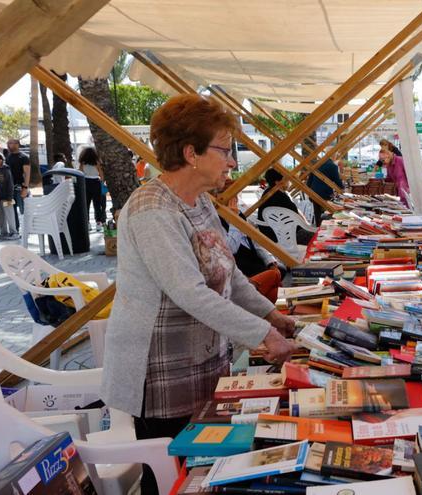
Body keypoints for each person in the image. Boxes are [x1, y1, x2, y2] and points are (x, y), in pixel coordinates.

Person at [100, 94, 298, 495]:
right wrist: (262, 335)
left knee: (205, 469)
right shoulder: (151, 209)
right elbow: (189, 292)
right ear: (191, 152)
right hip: (160, 375)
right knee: (176, 475)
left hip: (203, 362)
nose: (231, 161)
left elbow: (231, 275)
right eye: (225, 149)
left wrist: (272, 317)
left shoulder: (200, 201)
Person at [258, 168, 314, 245]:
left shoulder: (268, 193)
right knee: (318, 237)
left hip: (273, 234)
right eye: (286, 179)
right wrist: (306, 225)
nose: (289, 182)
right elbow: (295, 213)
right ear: (277, 182)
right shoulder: (280, 196)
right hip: (286, 235)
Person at [306, 158, 344, 227]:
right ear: (334, 157)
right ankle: (326, 228)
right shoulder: (333, 166)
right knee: (328, 212)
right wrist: (342, 188)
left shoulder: (316, 164)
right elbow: (337, 181)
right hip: (326, 193)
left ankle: (318, 228)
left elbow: (309, 181)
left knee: (317, 212)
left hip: (314, 192)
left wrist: (310, 191)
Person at [78, 147, 107, 232]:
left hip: (86, 183)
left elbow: (80, 173)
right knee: (97, 204)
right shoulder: (97, 163)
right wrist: (102, 182)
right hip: (96, 183)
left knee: (86, 204)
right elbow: (101, 175)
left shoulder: (82, 163)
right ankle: (98, 223)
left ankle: (87, 224)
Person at [0, 152, 18, 240]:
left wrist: (9, 197)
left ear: (0, 160)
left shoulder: (6, 170)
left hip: (6, 198)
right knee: (0, 216)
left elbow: (10, 184)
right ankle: (3, 232)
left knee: (10, 215)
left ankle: (14, 233)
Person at [379, 141, 409, 207]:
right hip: (398, 193)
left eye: (383, 160)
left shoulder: (400, 160)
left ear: (388, 156)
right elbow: (389, 178)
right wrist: (382, 181)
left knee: (407, 209)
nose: (382, 162)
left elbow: (410, 175)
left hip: (406, 192)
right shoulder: (388, 165)